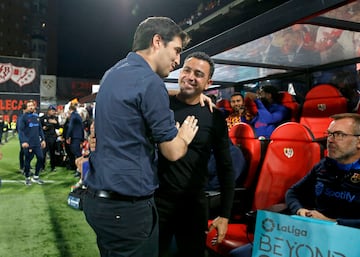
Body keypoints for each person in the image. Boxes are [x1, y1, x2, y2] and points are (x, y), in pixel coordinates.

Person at [82, 17, 199, 257]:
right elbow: (172, 151)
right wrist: (184, 136)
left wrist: (181, 93)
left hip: (99, 202)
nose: (178, 61)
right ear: (157, 41)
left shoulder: (112, 73)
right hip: (127, 209)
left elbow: (135, 98)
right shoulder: (150, 83)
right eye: (176, 51)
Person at [229, 112, 360, 257]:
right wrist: (299, 210)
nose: (330, 140)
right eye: (329, 134)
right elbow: (292, 192)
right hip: (310, 237)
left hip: (347, 242)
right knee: (238, 254)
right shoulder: (324, 166)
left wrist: (333, 222)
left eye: (339, 135)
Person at [156, 52, 235, 257]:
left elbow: (226, 167)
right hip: (157, 201)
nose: (190, 76)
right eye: (187, 70)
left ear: (208, 83)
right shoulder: (162, 105)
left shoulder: (214, 117)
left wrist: (225, 215)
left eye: (198, 74)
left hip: (193, 206)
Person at [18, 100, 46, 185]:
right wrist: (23, 141)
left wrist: (43, 139)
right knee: (28, 160)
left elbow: (40, 129)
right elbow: (21, 130)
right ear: (26, 108)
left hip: (37, 143)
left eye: (32, 105)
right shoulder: (23, 117)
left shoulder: (36, 117)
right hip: (28, 143)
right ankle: (27, 177)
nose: (31, 107)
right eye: (29, 105)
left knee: (41, 158)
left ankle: (36, 176)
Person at [65, 104, 84, 176]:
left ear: (70, 110)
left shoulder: (73, 116)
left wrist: (67, 136)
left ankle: (80, 170)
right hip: (78, 136)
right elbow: (81, 127)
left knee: (77, 154)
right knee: (77, 153)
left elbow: (71, 126)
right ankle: (78, 169)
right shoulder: (78, 115)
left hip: (75, 137)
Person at [41, 105, 60, 172]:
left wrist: (56, 123)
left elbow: (58, 126)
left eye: (54, 111)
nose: (54, 112)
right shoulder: (43, 118)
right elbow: (40, 127)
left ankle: (53, 166)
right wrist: (47, 125)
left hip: (52, 137)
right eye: (52, 111)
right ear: (49, 111)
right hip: (45, 137)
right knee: (43, 153)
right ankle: (42, 167)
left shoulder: (55, 118)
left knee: (52, 153)